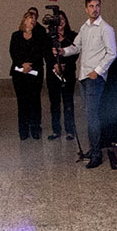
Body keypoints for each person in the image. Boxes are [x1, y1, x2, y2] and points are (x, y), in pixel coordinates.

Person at [60, 0, 117, 168]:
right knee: (88, 115)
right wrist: (63, 52)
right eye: (91, 6)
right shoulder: (84, 28)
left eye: (97, 5)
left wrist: (97, 71)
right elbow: (76, 47)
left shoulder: (106, 29)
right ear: (86, 9)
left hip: (94, 78)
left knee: (92, 116)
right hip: (83, 77)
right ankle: (93, 148)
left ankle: (97, 154)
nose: (95, 9)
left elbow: (112, 53)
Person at [9, 10, 45, 140]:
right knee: (22, 101)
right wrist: (22, 64)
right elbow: (13, 52)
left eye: (34, 19)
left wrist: (30, 64)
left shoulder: (38, 37)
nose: (33, 21)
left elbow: (39, 53)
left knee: (34, 101)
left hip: (34, 72)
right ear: (24, 20)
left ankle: (35, 128)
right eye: (30, 18)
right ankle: (23, 129)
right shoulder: (16, 36)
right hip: (20, 74)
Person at [46, 10, 78, 141]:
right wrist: (55, 65)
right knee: (54, 102)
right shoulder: (49, 37)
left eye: (62, 19)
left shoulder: (73, 36)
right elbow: (46, 53)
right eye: (58, 20)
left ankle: (70, 130)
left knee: (68, 102)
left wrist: (64, 65)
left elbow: (76, 52)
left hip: (68, 72)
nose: (60, 22)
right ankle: (56, 130)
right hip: (53, 73)